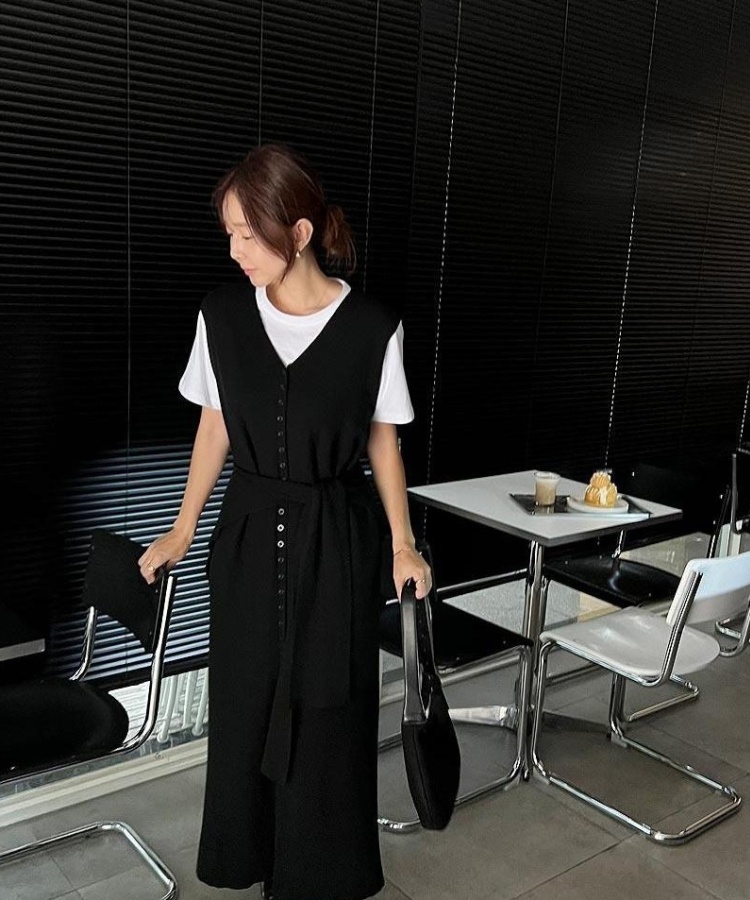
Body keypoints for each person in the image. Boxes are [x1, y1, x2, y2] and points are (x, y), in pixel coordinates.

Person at [137, 142, 432, 900]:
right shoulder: (221, 315)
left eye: (248, 235)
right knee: (245, 702)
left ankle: (315, 875)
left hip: (336, 539)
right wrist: (182, 528)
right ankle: (250, 856)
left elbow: (382, 440)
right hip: (245, 536)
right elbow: (214, 423)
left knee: (327, 708)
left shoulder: (372, 327)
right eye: (230, 234)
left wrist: (403, 545)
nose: (235, 251)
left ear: (298, 234)